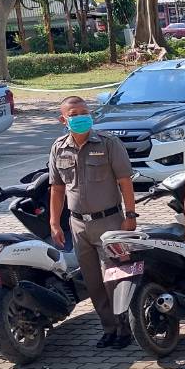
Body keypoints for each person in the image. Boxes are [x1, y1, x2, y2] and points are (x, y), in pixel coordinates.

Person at [47, 96, 137, 348]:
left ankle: (125, 328)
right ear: (63, 120)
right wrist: (54, 222)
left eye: (84, 112)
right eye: (74, 114)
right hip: (78, 226)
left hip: (109, 221)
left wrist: (130, 215)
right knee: (92, 281)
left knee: (115, 278)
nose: (80, 117)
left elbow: (125, 181)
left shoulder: (108, 143)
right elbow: (57, 188)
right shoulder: (58, 148)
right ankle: (109, 328)